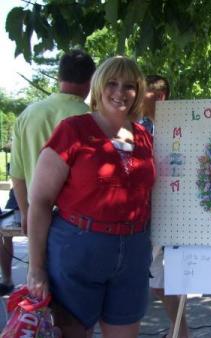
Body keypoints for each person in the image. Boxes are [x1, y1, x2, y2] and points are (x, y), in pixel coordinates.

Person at [26, 56, 156, 338]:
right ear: (98, 86)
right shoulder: (73, 131)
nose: (120, 91)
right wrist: (36, 268)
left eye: (129, 85)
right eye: (112, 83)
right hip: (79, 249)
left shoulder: (144, 137)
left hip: (133, 251)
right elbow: (40, 202)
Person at [7, 49, 95, 298]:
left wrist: (26, 212)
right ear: (91, 81)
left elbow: (18, 173)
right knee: (77, 306)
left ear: (59, 77)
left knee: (41, 294)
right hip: (78, 223)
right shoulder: (92, 118)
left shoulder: (28, 114)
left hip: (37, 217)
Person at [141, 75, 190, 338]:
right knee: (156, 279)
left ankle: (181, 330)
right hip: (147, 214)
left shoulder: (177, 130)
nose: (135, 95)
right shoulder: (140, 126)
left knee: (167, 276)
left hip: (171, 214)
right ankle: (180, 329)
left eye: (142, 91)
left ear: (159, 97)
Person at [0, 189, 19, 296]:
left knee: (36, 235)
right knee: (5, 235)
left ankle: (35, 283)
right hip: (17, 193)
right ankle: (6, 280)